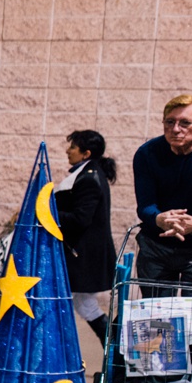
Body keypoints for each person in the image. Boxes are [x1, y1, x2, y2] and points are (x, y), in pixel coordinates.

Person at [133, 94, 192, 293]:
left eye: (185, 123)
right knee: (158, 317)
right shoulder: (147, 153)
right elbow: (145, 204)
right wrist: (159, 219)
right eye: (170, 122)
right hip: (156, 245)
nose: (175, 129)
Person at [56, 130, 116, 343]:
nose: (68, 151)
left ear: (85, 153)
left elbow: (81, 218)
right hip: (82, 255)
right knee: (84, 305)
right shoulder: (87, 173)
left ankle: (116, 356)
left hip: (84, 257)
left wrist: (48, 213)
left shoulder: (88, 178)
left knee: (85, 305)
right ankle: (115, 357)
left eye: (73, 147)